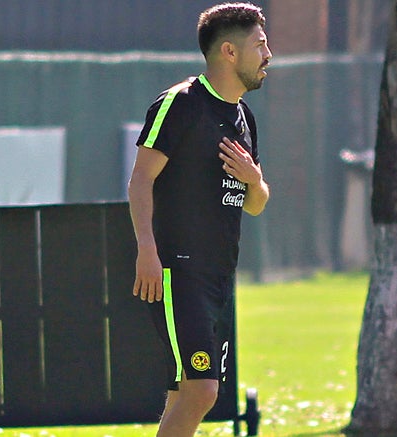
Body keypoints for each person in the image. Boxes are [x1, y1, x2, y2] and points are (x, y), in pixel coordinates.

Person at [127, 2, 272, 436]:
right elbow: (140, 182)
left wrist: (254, 179)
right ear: (229, 52)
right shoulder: (181, 104)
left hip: (219, 277)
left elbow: (256, 203)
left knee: (184, 393)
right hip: (178, 271)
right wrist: (148, 252)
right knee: (203, 391)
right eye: (261, 44)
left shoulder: (244, 117)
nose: (269, 54)